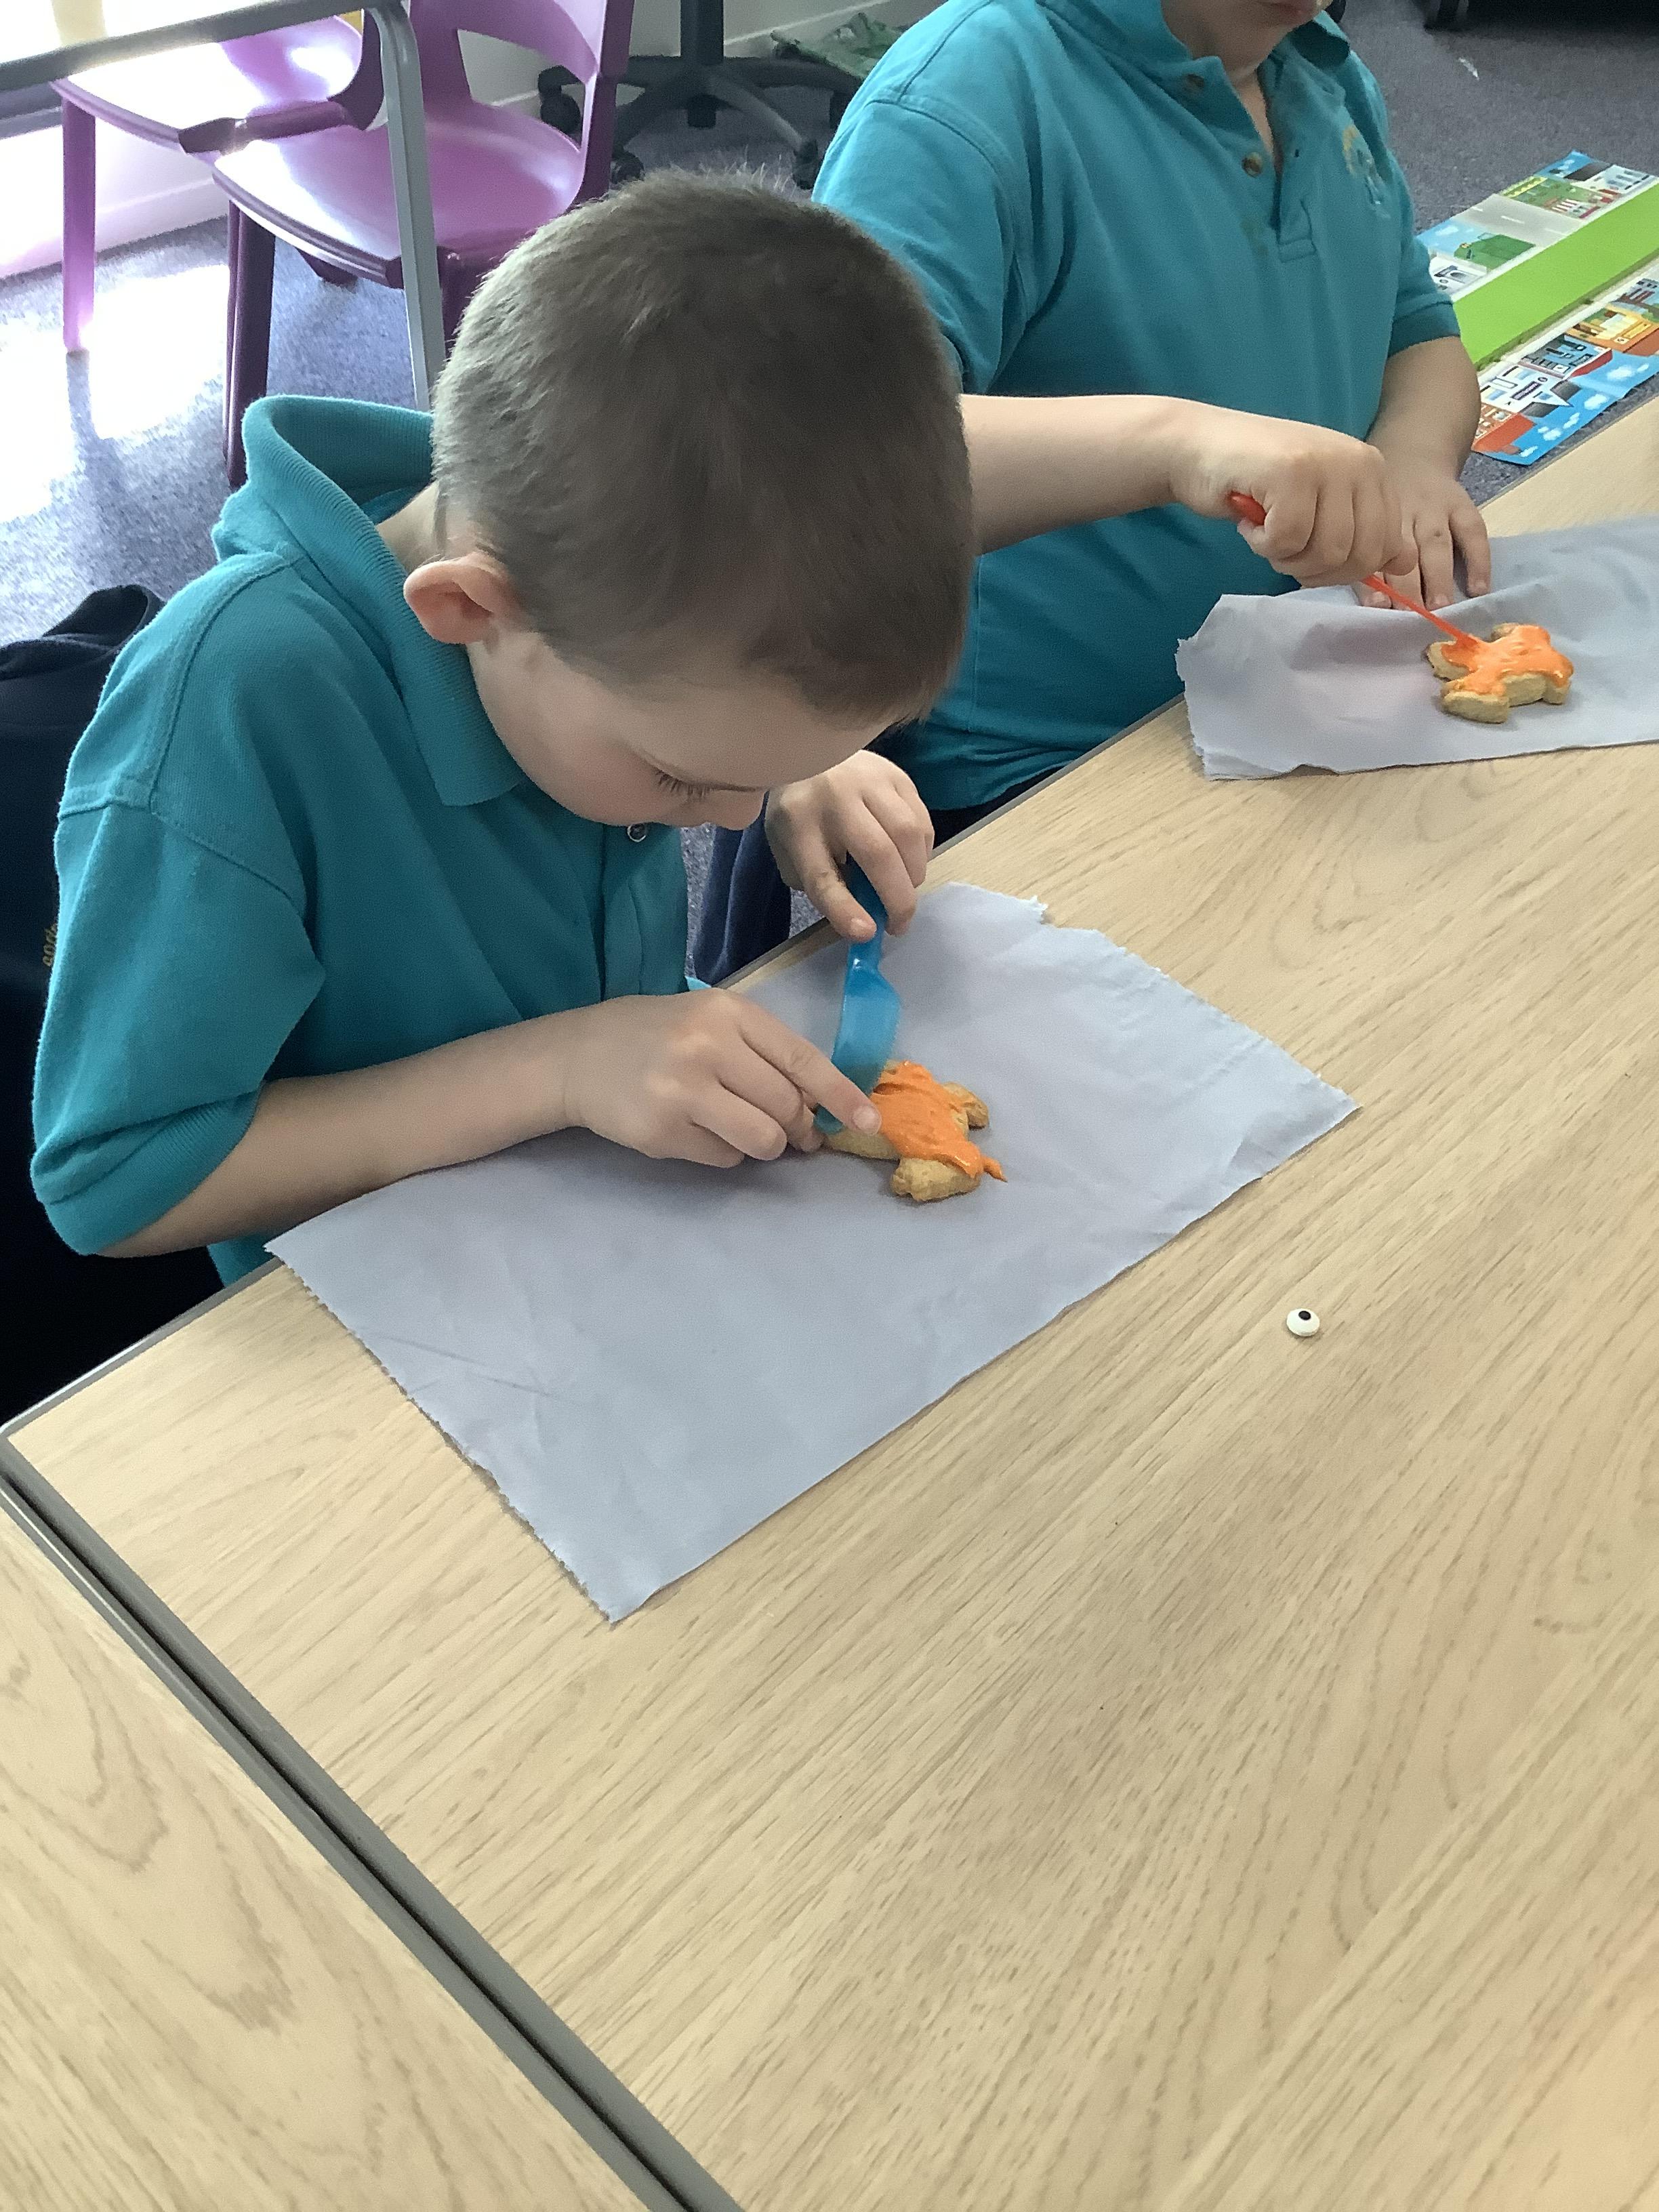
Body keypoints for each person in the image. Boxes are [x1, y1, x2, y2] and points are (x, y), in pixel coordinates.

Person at [31, 178, 972, 1284]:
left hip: (601, 1238)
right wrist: (559, 1071)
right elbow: (117, 1180)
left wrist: (791, 765)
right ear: (472, 611)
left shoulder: (596, 614)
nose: (732, 820)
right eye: (682, 779)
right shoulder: (230, 714)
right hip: (383, 1322)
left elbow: (691, 711)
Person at [692, 0, 1487, 979]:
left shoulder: (1323, 72)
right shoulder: (966, 101)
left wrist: (1413, 459)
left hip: (1297, 701)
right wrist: (1175, 444)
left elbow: (1419, 329)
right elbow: (825, 462)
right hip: (1034, 774)